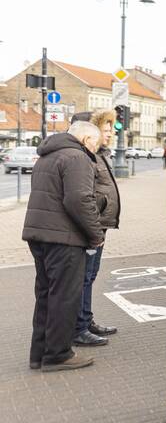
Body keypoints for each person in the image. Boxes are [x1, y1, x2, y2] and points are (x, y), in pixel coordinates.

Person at [23, 121, 104, 372]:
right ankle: (58, 354)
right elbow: (79, 199)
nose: (95, 149)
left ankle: (39, 353)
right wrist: (95, 234)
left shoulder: (48, 155)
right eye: (96, 143)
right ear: (86, 138)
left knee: (46, 295)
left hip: (40, 234)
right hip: (64, 238)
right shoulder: (76, 157)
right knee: (64, 297)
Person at [69, 110, 121, 347]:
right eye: (107, 129)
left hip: (100, 225)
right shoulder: (87, 156)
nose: (111, 133)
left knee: (90, 277)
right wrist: (93, 228)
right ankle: (79, 327)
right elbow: (83, 195)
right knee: (84, 277)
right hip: (92, 227)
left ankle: (86, 320)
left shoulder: (100, 154)